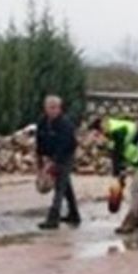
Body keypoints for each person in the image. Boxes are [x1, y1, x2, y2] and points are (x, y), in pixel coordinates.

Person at [87, 116, 138, 235]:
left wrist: (118, 176)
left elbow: (117, 154)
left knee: (136, 188)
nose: (101, 133)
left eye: (100, 130)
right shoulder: (112, 134)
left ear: (104, 123)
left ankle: (130, 221)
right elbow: (119, 155)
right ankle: (137, 219)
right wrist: (120, 174)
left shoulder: (117, 130)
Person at [35, 95, 80, 230]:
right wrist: (40, 163)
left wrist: (53, 162)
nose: (53, 110)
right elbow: (39, 142)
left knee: (59, 185)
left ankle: (53, 219)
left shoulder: (65, 124)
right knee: (65, 185)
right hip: (51, 155)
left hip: (65, 155)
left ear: (60, 109)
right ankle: (74, 214)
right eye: (51, 107)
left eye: (56, 108)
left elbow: (66, 145)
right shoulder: (42, 122)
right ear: (45, 108)